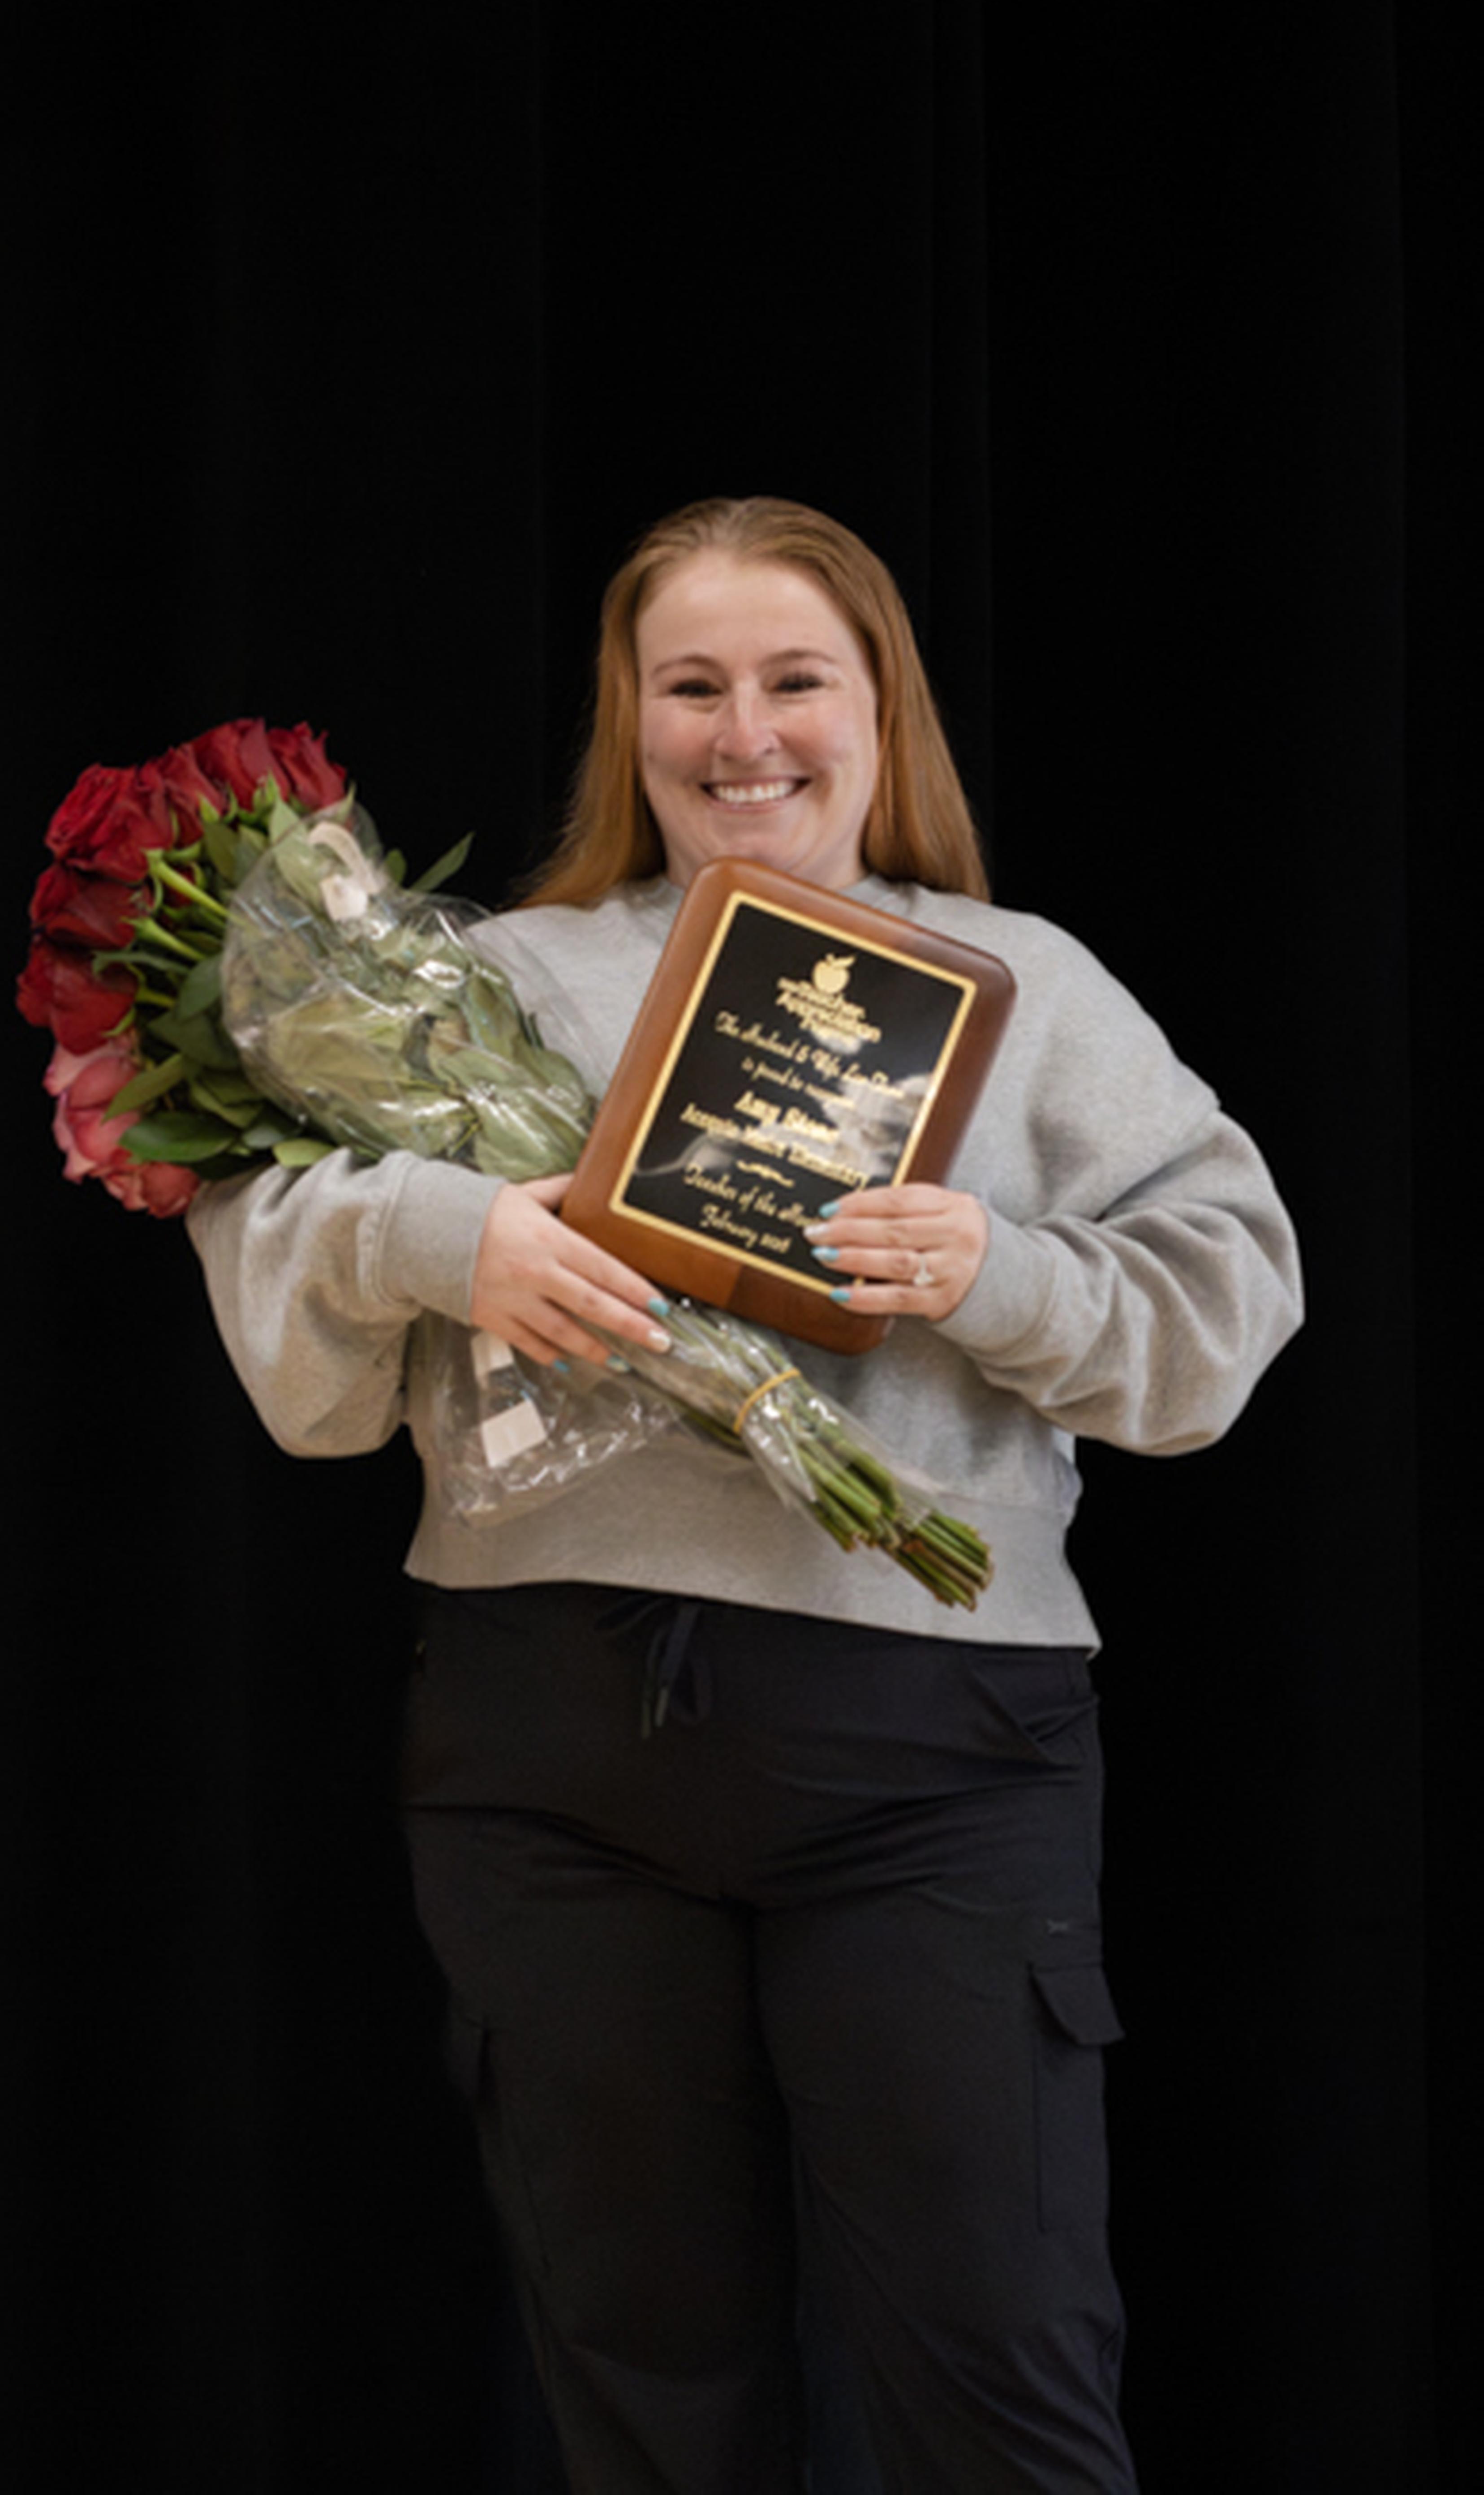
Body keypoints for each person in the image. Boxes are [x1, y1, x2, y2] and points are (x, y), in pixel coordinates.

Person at [189, 497, 1303, 2493]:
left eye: (796, 680)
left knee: (1004, 2378)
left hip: (936, 1763)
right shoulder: (479, 980)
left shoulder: (1021, 984)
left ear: (884, 714)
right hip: (545, 1761)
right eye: (688, 684)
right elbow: (288, 1307)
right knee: (644, 2393)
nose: (744, 732)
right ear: (630, 720)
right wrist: (447, 1235)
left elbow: (1228, 1309)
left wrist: (998, 1271)